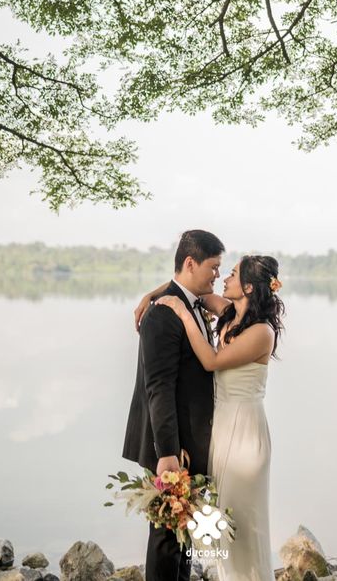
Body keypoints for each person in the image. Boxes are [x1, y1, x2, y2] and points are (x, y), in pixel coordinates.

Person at [134, 253, 285, 581]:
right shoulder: (230, 312)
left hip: (246, 435)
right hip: (222, 431)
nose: (222, 278)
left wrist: (181, 314)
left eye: (230, 274)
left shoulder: (262, 332)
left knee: (244, 525)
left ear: (247, 287)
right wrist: (152, 296)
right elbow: (190, 288)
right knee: (220, 520)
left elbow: (211, 362)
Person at [122, 229, 226, 581]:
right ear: (190, 263)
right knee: (166, 536)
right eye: (213, 267)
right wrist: (167, 450)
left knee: (183, 532)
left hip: (190, 439)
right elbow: (159, 386)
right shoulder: (163, 313)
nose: (216, 275)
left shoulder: (194, 303)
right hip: (170, 443)